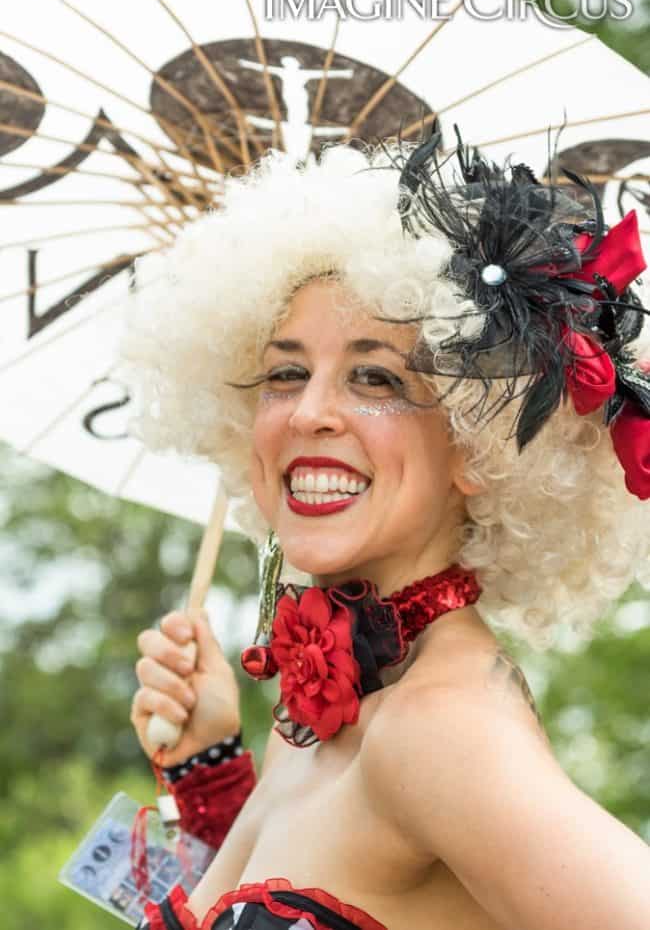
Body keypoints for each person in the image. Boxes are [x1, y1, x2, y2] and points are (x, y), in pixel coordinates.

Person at [122, 132, 650, 930]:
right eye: (285, 372)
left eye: (376, 377)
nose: (309, 412)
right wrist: (209, 768)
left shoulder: (438, 730)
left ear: (479, 443)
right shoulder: (325, 715)